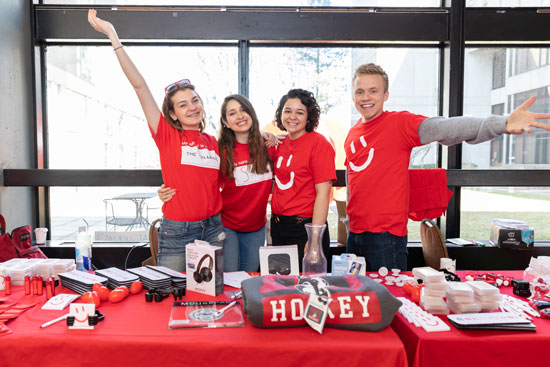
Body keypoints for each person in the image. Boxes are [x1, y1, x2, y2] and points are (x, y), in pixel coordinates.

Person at [345, 63, 550, 271]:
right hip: (354, 234)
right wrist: (348, 225)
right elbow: (353, 183)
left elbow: (447, 127)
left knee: (388, 299)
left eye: (373, 91)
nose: (366, 97)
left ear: (385, 94)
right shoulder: (352, 133)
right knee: (357, 299)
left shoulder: (399, 123)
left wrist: (502, 123)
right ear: (353, 96)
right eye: (360, 92)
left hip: (385, 238)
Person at [88, 9, 224, 272]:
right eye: (183, 105)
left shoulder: (213, 143)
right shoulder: (167, 134)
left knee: (210, 296)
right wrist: (113, 36)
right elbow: (140, 86)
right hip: (177, 232)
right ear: (172, 113)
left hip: (212, 228)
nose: (192, 107)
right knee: (169, 294)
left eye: (195, 100)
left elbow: (220, 183)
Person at [159, 94, 275, 272]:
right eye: (232, 113)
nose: (240, 116)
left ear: (252, 114)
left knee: (248, 275)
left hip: (256, 227)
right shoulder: (219, 150)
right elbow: (198, 178)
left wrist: (268, 135)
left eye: (244, 110)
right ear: (226, 122)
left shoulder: (270, 146)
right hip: (226, 225)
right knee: (227, 278)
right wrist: (166, 190)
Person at [270, 89, 336, 267]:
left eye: (300, 112)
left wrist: (314, 239)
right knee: (282, 286)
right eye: (288, 111)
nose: (292, 116)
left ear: (309, 117)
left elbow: (323, 194)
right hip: (278, 227)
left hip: (305, 229)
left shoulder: (319, 144)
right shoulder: (280, 143)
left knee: (308, 288)